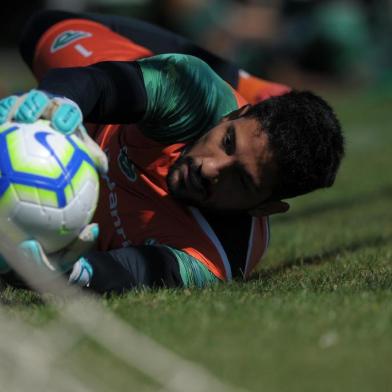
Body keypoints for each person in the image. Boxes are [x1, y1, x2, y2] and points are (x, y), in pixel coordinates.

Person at [0, 10, 344, 293]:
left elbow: (131, 272)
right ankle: (248, 84)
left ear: (264, 207)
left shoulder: (217, 255)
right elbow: (102, 84)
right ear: (234, 114)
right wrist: (56, 101)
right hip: (119, 76)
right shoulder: (197, 94)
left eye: (241, 179)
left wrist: (66, 273)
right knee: (41, 30)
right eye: (227, 142)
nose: (210, 168)